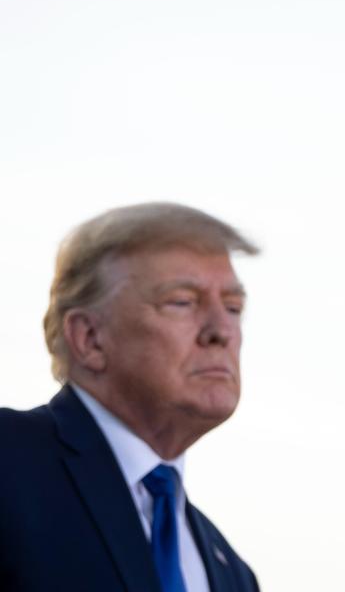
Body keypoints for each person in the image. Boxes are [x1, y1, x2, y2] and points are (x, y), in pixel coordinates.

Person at [0, 202, 260, 592]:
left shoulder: (233, 572)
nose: (222, 331)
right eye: (182, 302)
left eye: (233, 307)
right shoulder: (9, 460)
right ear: (89, 338)